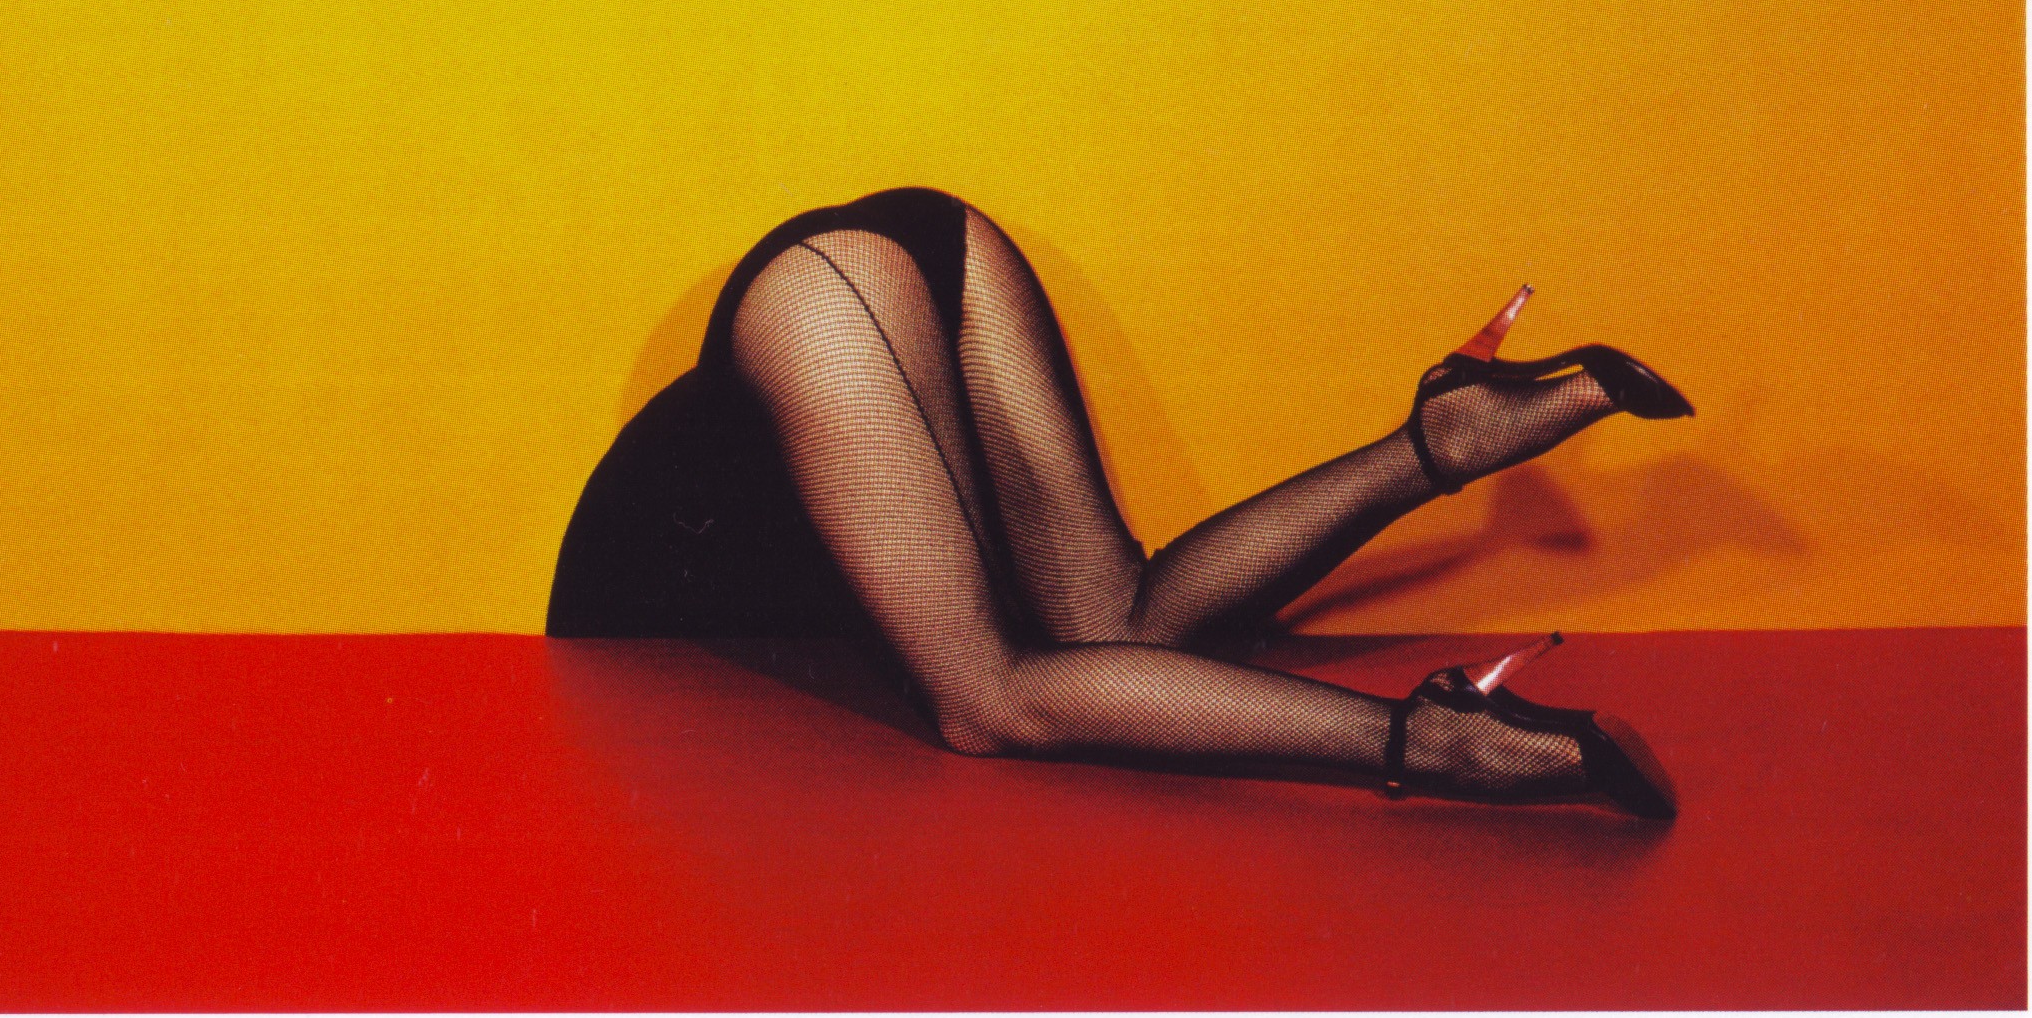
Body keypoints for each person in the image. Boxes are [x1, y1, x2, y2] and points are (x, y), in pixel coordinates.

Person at [547, 187, 1690, 815]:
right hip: (930, 244)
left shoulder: (634, 607)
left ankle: (1428, 739)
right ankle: (1437, 439)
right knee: (1114, 617)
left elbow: (985, 691)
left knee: (988, 697)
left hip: (827, 312)